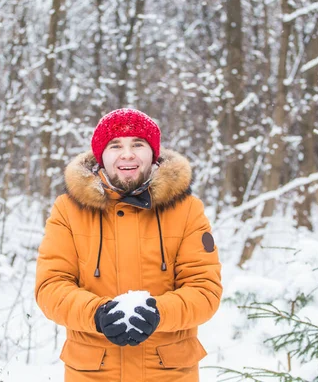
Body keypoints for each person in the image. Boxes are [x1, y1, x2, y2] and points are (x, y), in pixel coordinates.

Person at [35, 108, 222, 381]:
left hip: (168, 373)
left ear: (152, 153)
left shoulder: (187, 209)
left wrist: (159, 313)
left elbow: (205, 290)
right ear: (101, 156)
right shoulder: (68, 210)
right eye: (115, 145)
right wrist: (96, 315)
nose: (127, 154)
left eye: (138, 144)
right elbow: (50, 287)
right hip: (94, 373)